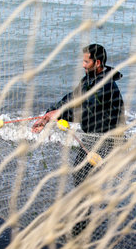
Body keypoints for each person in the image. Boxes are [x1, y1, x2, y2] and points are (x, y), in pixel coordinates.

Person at [32, 44, 125, 236]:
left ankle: (81, 225)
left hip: (108, 140)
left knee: (85, 178)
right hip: (91, 138)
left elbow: (84, 111)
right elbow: (71, 98)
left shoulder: (105, 86)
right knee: (80, 176)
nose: (83, 65)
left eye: (86, 61)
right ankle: (85, 217)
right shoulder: (90, 79)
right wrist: (49, 113)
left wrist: (58, 116)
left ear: (97, 63)